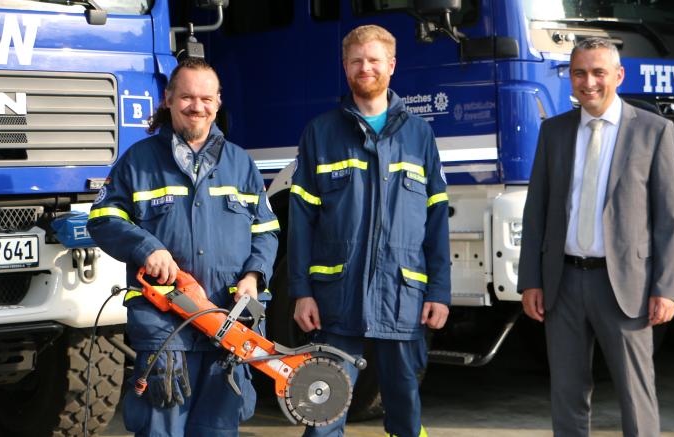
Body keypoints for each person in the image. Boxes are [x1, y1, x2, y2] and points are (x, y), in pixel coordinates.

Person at [87, 57, 278, 437]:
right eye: (187, 97)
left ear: (219, 102)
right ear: (168, 99)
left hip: (229, 324)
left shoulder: (241, 164)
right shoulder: (138, 161)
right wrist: (146, 248)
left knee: (219, 430)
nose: (197, 106)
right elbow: (102, 219)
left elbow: (267, 230)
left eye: (206, 98)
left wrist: (255, 275)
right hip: (166, 330)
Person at [288, 24, 450, 437]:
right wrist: (301, 290)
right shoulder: (321, 133)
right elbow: (302, 220)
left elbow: (435, 222)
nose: (366, 68)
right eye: (357, 60)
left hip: (404, 298)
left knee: (405, 412)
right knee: (323, 410)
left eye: (374, 60)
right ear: (345, 67)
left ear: (391, 66)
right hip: (336, 300)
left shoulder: (419, 135)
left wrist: (439, 293)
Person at [518, 37, 674, 437]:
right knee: (567, 392)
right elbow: (536, 210)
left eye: (598, 72)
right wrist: (531, 281)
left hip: (626, 285)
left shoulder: (653, 131)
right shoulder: (554, 132)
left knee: (635, 392)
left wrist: (667, 288)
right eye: (579, 73)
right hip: (564, 284)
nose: (588, 82)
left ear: (618, 76)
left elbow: (670, 218)